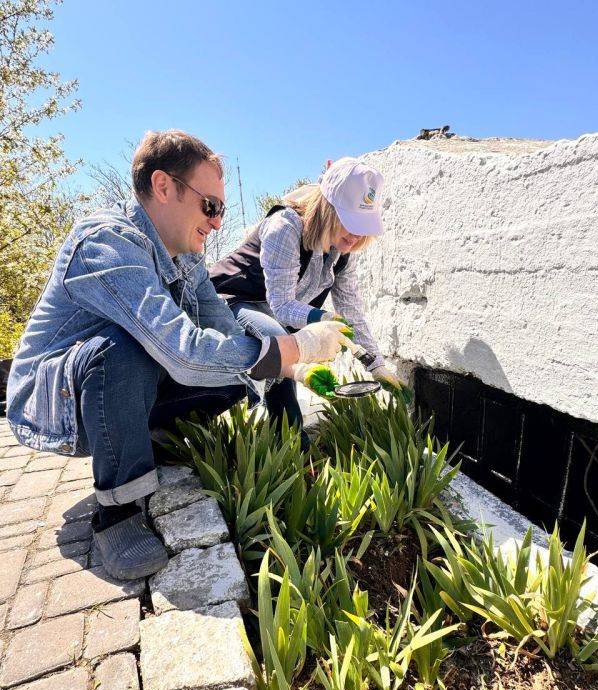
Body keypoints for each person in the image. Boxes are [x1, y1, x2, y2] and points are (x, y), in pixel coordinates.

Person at [7, 130, 351, 581]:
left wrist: (291, 367)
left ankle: (146, 440)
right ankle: (118, 510)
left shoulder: (186, 259)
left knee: (241, 366)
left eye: (220, 210)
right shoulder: (106, 243)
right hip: (59, 403)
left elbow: (227, 333)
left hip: (120, 391)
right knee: (124, 350)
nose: (216, 222)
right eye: (210, 206)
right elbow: (183, 352)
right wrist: (296, 344)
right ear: (163, 186)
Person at [209, 157, 405, 434]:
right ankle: (294, 445)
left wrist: (376, 365)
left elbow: (351, 312)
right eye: (350, 221)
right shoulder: (285, 226)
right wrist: (322, 318)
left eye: (362, 225)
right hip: (229, 301)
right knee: (279, 341)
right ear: (328, 209)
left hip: (273, 316)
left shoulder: (341, 253)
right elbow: (281, 305)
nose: (355, 235)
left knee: (281, 352)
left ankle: (283, 441)